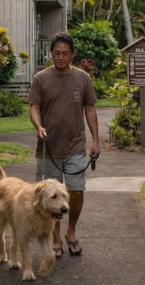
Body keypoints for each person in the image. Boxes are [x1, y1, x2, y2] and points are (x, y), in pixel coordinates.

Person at [27, 32, 100, 257]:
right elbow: (34, 108)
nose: (60, 57)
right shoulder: (41, 78)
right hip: (48, 147)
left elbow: (90, 109)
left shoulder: (82, 78)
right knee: (51, 197)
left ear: (73, 54)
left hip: (75, 145)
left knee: (76, 191)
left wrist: (96, 140)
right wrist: (38, 127)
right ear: (51, 54)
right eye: (56, 53)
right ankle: (56, 236)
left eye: (65, 54)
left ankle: (71, 232)